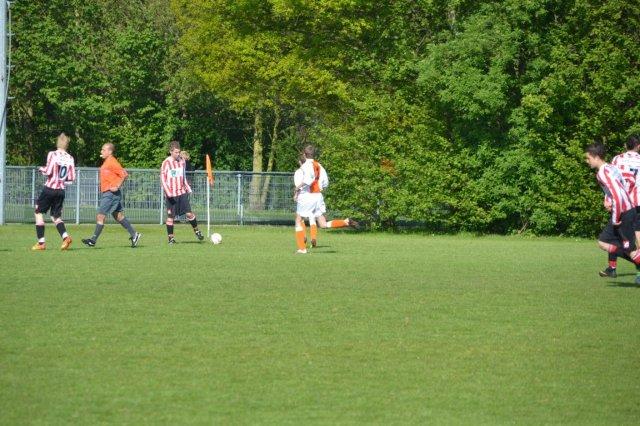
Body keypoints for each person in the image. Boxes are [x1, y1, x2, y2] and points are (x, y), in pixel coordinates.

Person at [585, 143, 640, 280]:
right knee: (604, 243)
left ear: (596, 157)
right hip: (625, 210)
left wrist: (615, 218)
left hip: (623, 213)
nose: (587, 161)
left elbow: (617, 194)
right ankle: (613, 268)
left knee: (629, 249)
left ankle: (633, 261)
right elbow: (623, 183)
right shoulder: (611, 167)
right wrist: (608, 199)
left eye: (588, 158)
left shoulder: (602, 173)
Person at [293, 145, 358, 254]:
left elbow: (308, 180)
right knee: (323, 224)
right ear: (314, 155)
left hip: (308, 196)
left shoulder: (305, 166)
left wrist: (297, 188)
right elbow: (325, 183)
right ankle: (346, 222)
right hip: (318, 196)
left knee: (298, 220)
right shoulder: (319, 166)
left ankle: (302, 249)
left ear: (304, 154)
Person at [81, 143, 141, 248]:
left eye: (103, 150)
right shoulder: (107, 162)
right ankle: (134, 235)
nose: (101, 151)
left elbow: (124, 174)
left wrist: (117, 186)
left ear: (110, 152)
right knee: (118, 216)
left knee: (100, 216)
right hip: (110, 193)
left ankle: (93, 240)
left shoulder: (112, 162)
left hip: (110, 194)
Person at [601, 134, 640, 279]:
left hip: (622, 202)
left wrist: (608, 198)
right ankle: (635, 273)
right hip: (638, 202)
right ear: (639, 146)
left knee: (615, 233)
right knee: (636, 235)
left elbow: (612, 180)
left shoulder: (617, 159)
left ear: (625, 145)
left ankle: (613, 268)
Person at [31, 133, 76, 251]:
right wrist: (61, 180)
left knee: (38, 211)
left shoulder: (53, 154)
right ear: (67, 145)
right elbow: (71, 178)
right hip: (61, 191)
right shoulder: (70, 158)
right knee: (55, 216)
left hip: (50, 188)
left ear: (57, 143)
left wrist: (40, 169)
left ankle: (41, 243)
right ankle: (65, 237)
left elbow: (48, 171)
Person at [161, 141, 204, 244]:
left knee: (189, 213)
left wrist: (188, 188)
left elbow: (183, 176)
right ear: (171, 151)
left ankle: (197, 231)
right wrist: (168, 193)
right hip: (171, 194)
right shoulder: (166, 163)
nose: (178, 154)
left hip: (182, 192)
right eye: (176, 152)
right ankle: (171, 238)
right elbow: (163, 179)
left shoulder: (182, 161)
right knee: (171, 217)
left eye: (178, 152)